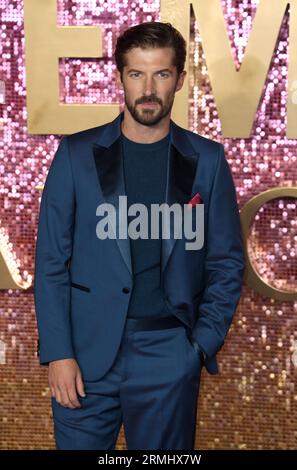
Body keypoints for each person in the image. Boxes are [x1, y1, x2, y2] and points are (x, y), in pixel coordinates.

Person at [34, 21, 245, 450]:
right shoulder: (75, 155)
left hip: (168, 354)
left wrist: (197, 348)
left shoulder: (206, 160)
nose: (148, 88)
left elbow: (226, 263)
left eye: (162, 74)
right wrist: (58, 352)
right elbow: (51, 262)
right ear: (120, 78)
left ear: (180, 81)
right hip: (85, 355)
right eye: (136, 74)